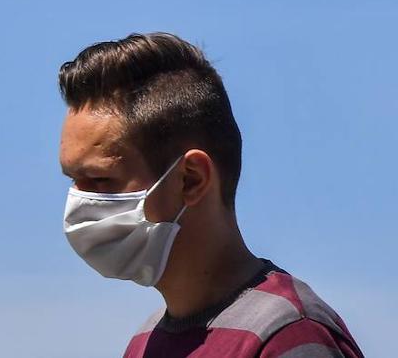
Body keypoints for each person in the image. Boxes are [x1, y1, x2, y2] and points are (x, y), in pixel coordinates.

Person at [57, 33, 365, 357]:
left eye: (99, 179)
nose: (79, 201)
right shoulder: (144, 344)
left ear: (191, 179)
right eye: (74, 180)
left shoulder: (288, 335)